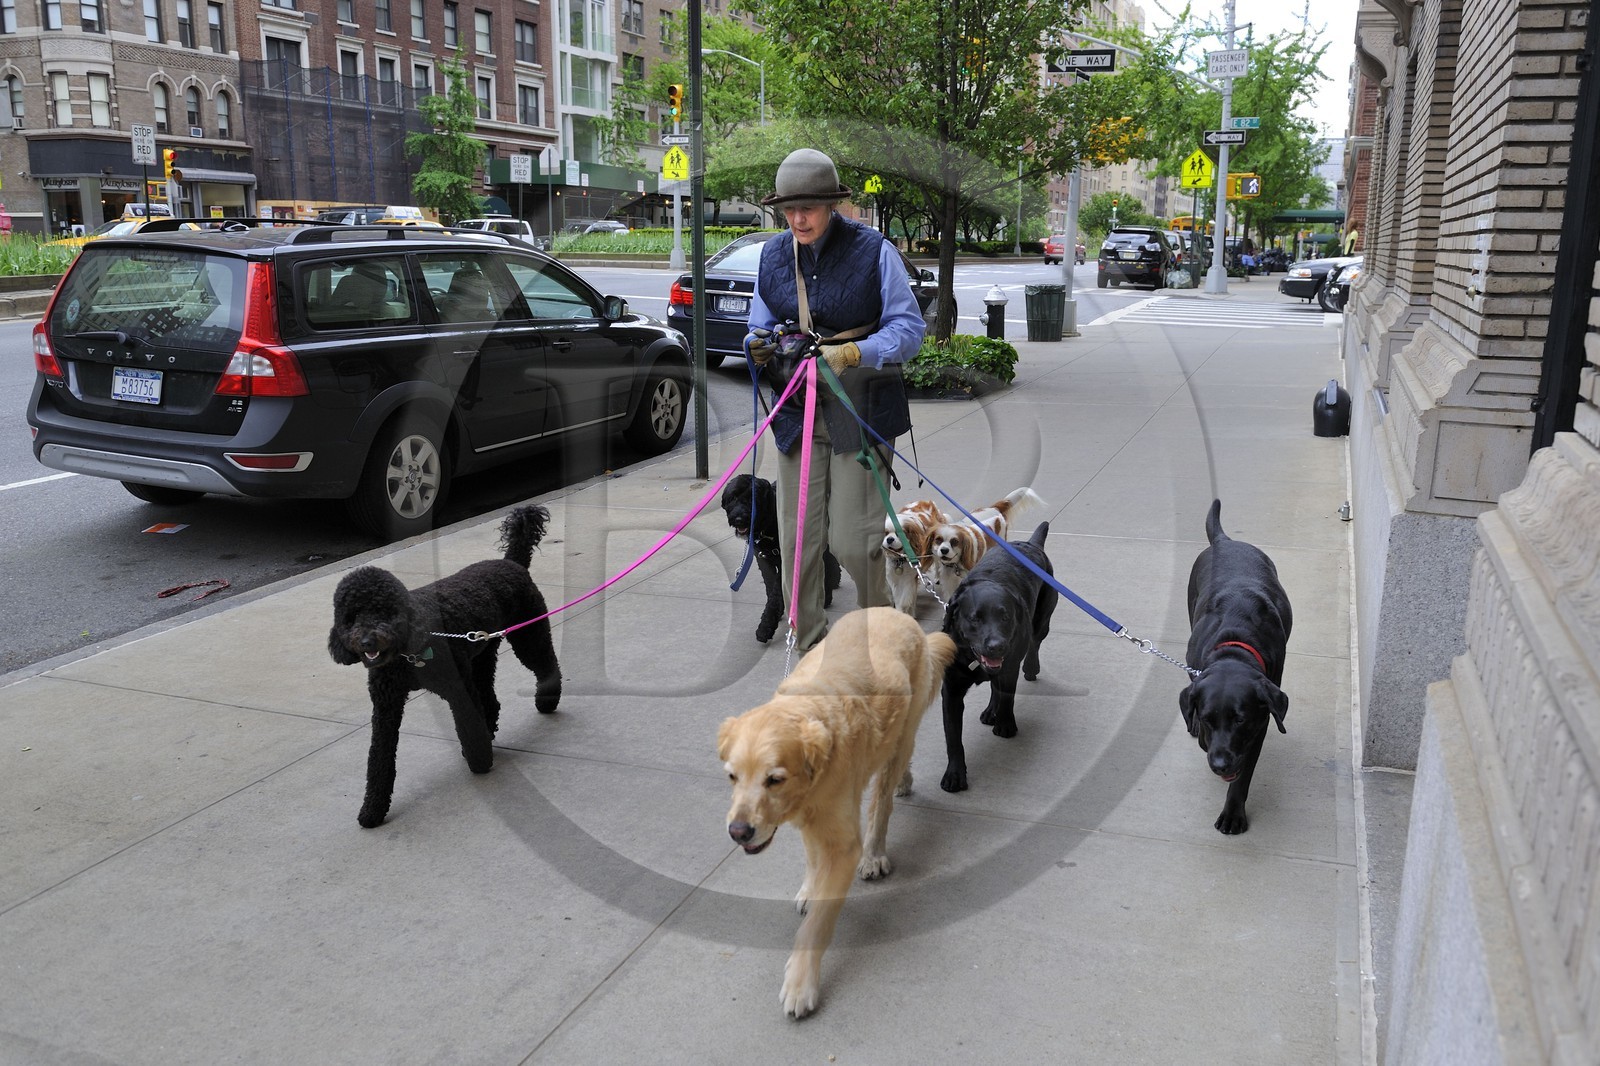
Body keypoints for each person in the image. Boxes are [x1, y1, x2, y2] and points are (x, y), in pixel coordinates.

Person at [744, 148, 927, 652]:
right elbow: (758, 323)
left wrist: (856, 351)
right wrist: (757, 343)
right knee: (797, 537)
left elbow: (909, 330)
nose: (798, 218)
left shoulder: (875, 250)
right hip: (796, 411)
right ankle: (809, 645)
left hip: (859, 409)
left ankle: (880, 637)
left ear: (833, 204)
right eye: (789, 209)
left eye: (809, 207)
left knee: (855, 540)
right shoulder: (774, 254)